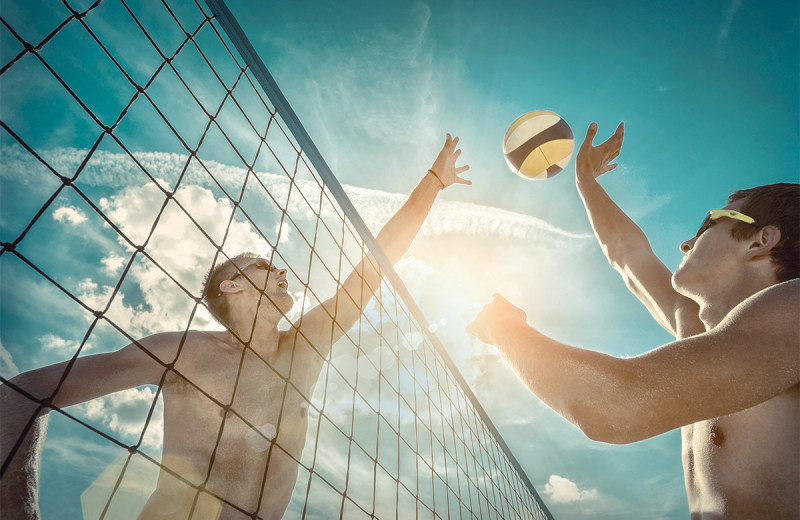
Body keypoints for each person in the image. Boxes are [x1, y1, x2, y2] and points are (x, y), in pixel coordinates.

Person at [1, 134, 471, 520]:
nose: (282, 270)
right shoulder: (181, 353)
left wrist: (433, 182)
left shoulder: (302, 350)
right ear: (231, 288)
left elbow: (374, 266)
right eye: (264, 264)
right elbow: (22, 392)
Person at [468, 122, 799, 519]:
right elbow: (627, 254)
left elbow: (612, 406)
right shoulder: (697, 329)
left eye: (709, 221)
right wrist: (586, 180)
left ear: (760, 241)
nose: (685, 243)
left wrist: (504, 329)